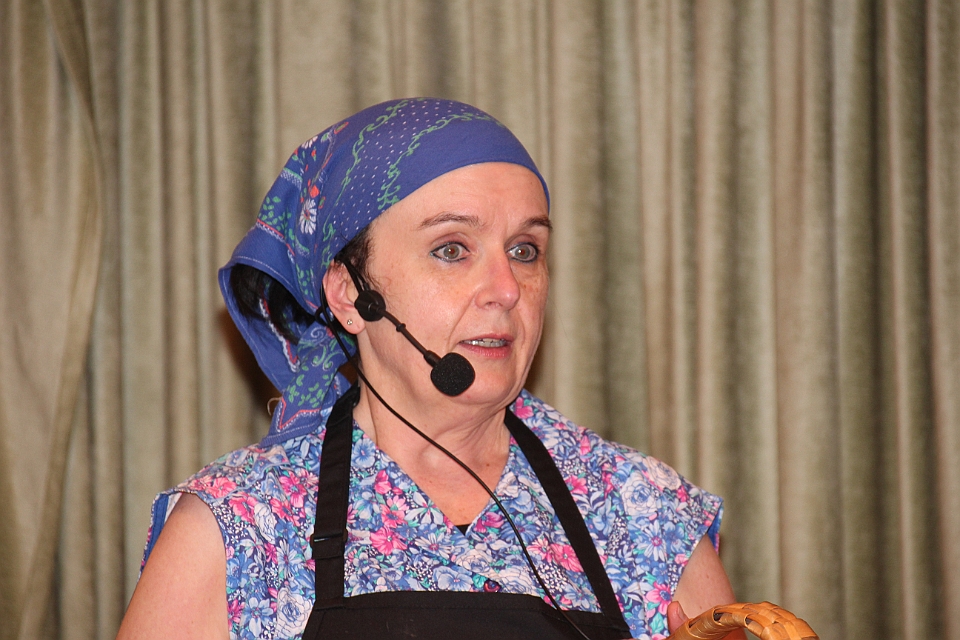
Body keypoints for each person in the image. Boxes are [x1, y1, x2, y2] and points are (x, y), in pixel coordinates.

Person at [117, 98, 743, 640]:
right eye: (451, 249)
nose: (506, 289)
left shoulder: (642, 513)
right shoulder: (239, 525)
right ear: (349, 294)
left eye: (525, 250)